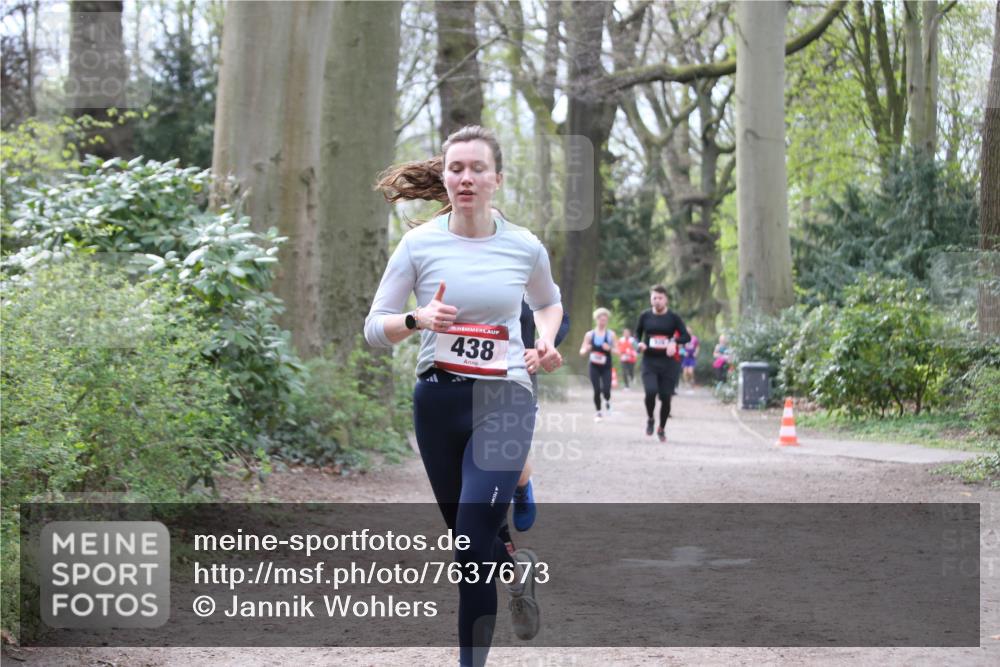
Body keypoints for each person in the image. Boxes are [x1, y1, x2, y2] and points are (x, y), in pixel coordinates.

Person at [364, 126, 563, 666]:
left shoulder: (523, 246)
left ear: (497, 178)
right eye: (456, 168)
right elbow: (374, 326)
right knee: (469, 543)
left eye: (478, 168)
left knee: (471, 548)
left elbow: (549, 302)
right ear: (445, 177)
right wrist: (415, 318)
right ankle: (513, 566)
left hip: (504, 397)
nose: (466, 177)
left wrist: (544, 341)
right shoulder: (419, 244)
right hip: (437, 400)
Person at [507, 300, 570, 537]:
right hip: (470, 383)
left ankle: (521, 487)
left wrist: (542, 347)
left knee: (510, 455)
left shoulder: (526, 276)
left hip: (519, 380)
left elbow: (560, 317)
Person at [634, 285, 690, 442]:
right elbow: (636, 336)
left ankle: (662, 428)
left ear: (666, 299)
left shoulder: (673, 317)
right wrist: (639, 345)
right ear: (651, 299)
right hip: (649, 361)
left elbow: (686, 337)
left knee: (666, 397)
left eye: (660, 298)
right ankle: (651, 418)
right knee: (650, 392)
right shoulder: (644, 316)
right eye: (654, 298)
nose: (657, 301)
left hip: (669, 363)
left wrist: (674, 341)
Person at [579, 307, 617, 422]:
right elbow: (581, 351)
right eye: (601, 319)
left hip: (606, 366)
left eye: (605, 320)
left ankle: (607, 400)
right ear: (597, 320)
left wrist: (609, 348)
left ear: (607, 321)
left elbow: (618, 351)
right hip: (594, 366)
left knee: (606, 389)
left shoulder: (611, 335)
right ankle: (598, 412)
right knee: (596, 389)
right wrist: (586, 349)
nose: (602, 322)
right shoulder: (589, 335)